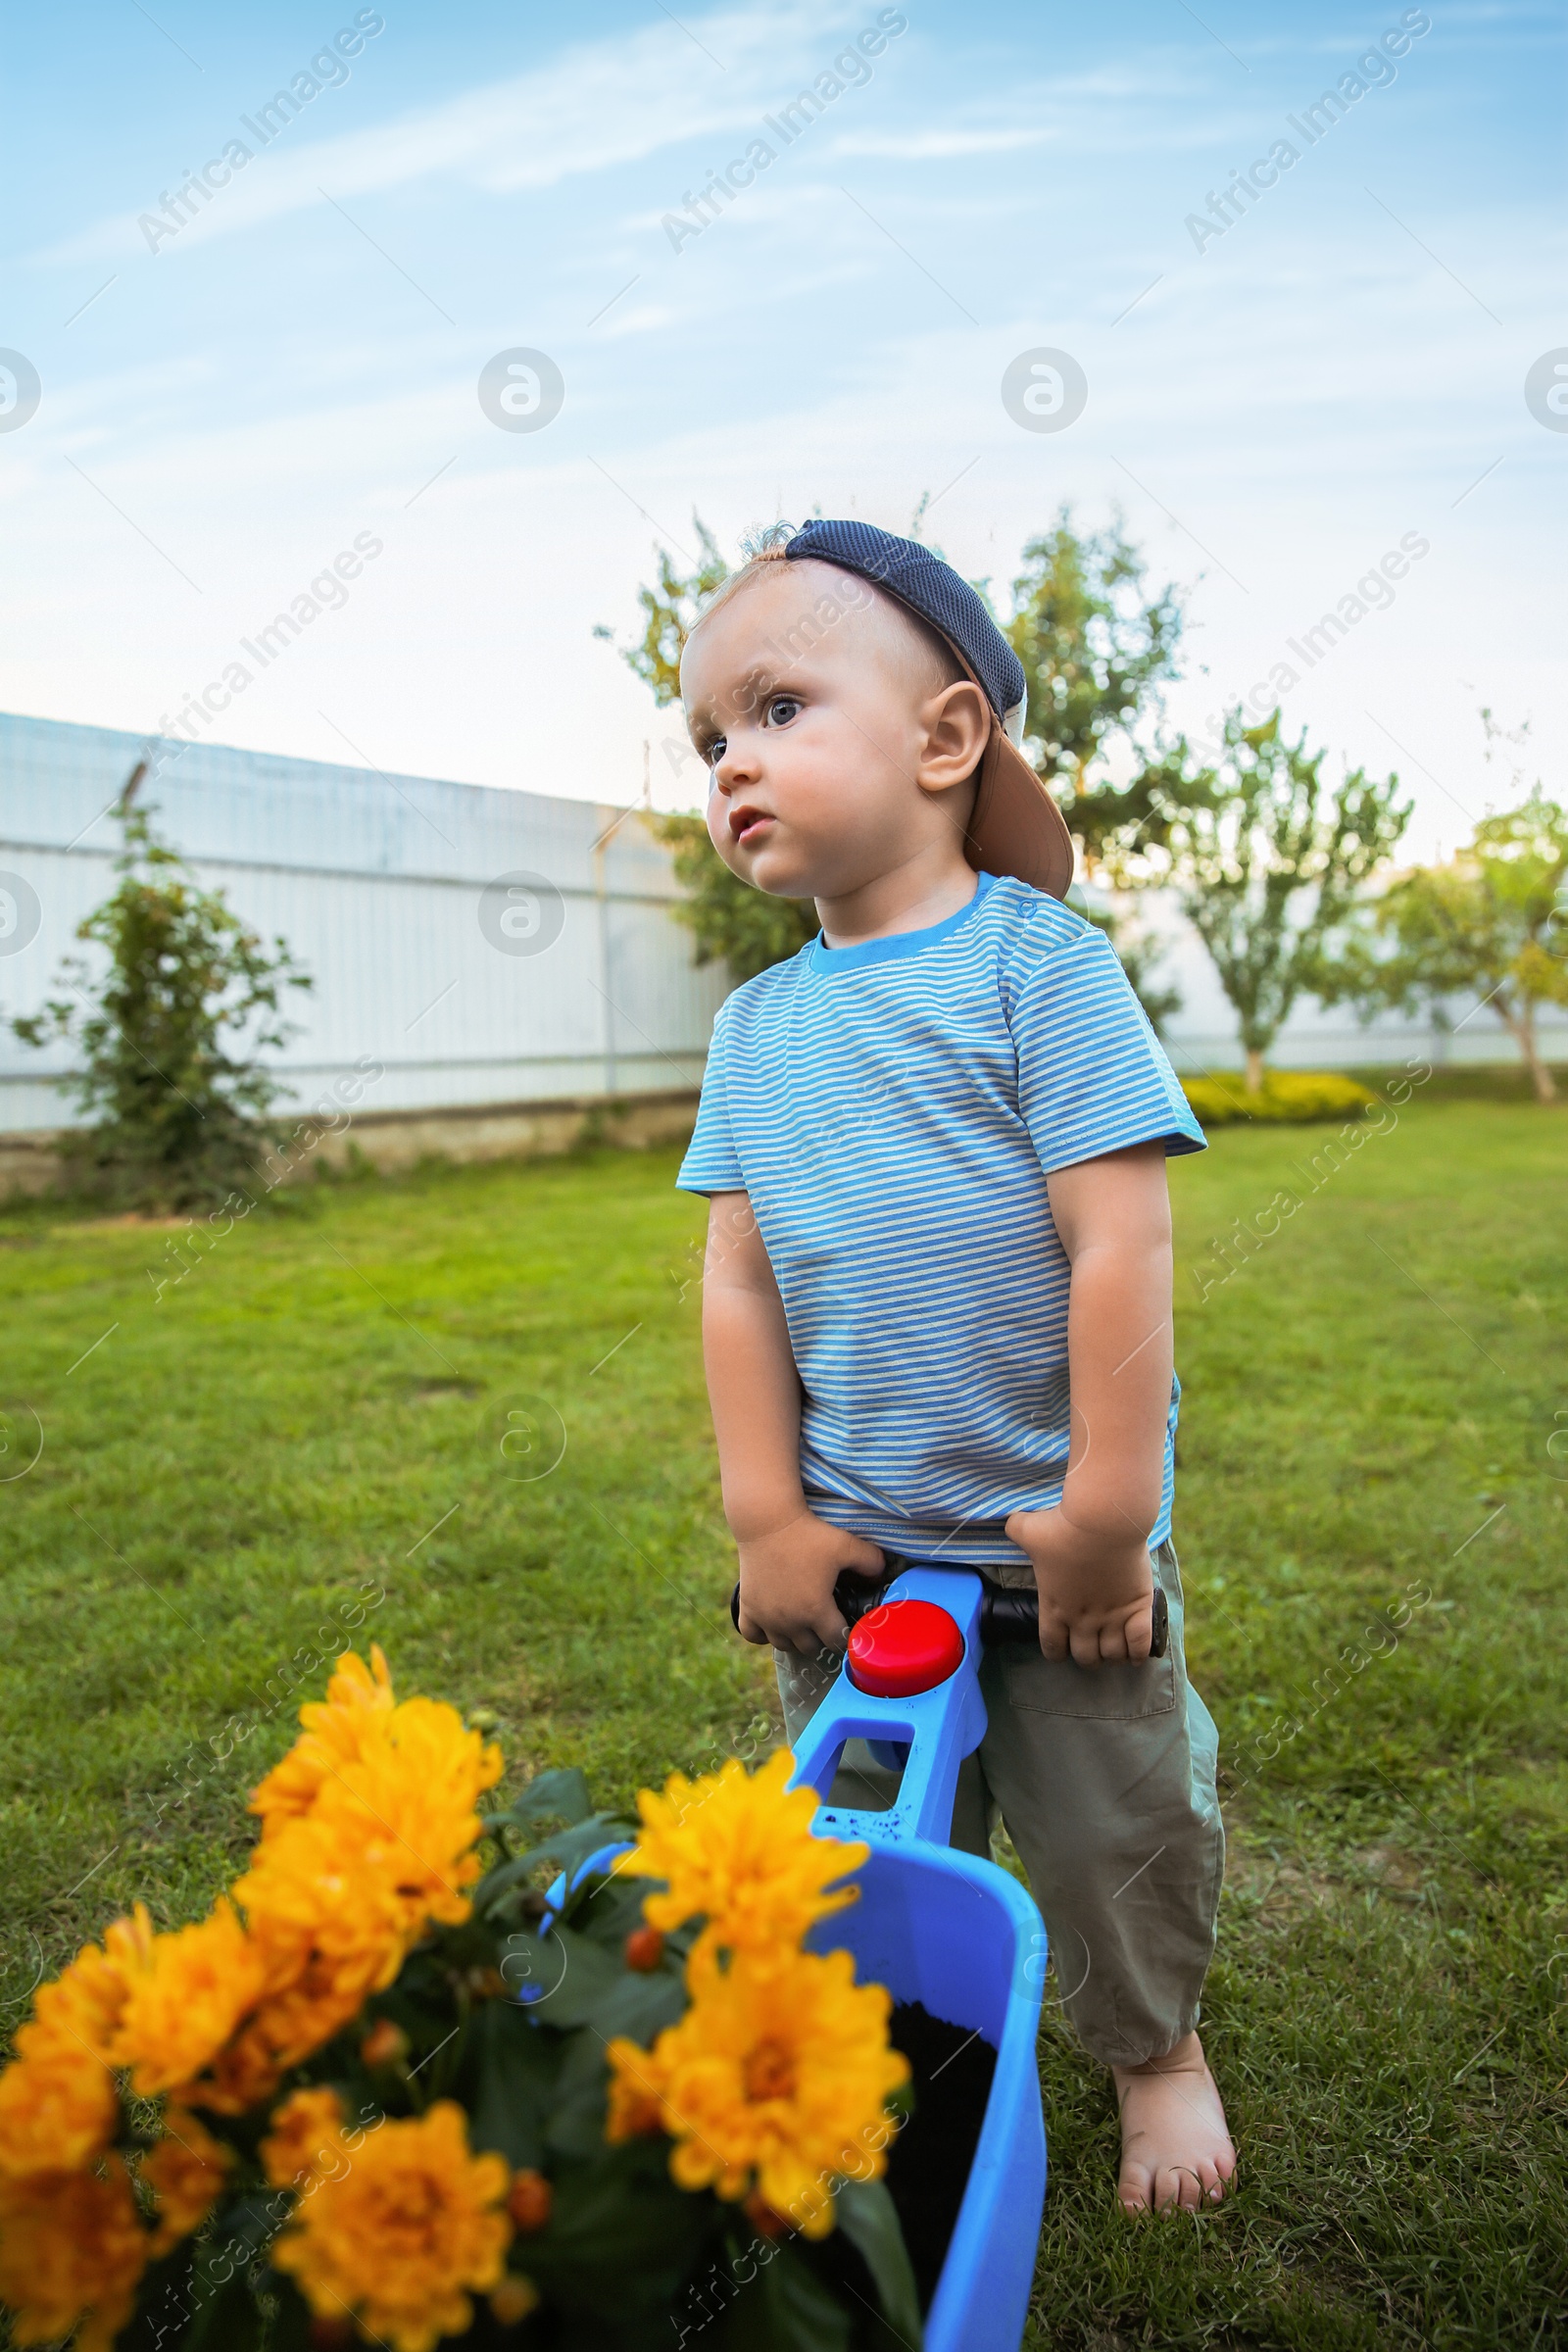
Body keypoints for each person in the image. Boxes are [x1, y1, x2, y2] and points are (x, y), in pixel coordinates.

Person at [674, 518, 1235, 2215]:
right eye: (706, 740)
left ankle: (1155, 2057)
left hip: (1056, 1556)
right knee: (869, 1847)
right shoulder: (756, 1029)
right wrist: (767, 1514)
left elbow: (1119, 1248)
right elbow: (739, 1285)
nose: (731, 764)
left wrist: (1106, 1513)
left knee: (1109, 1828)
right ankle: (891, 2067)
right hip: (861, 1561)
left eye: (775, 707)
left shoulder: (1034, 970)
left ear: (943, 739)